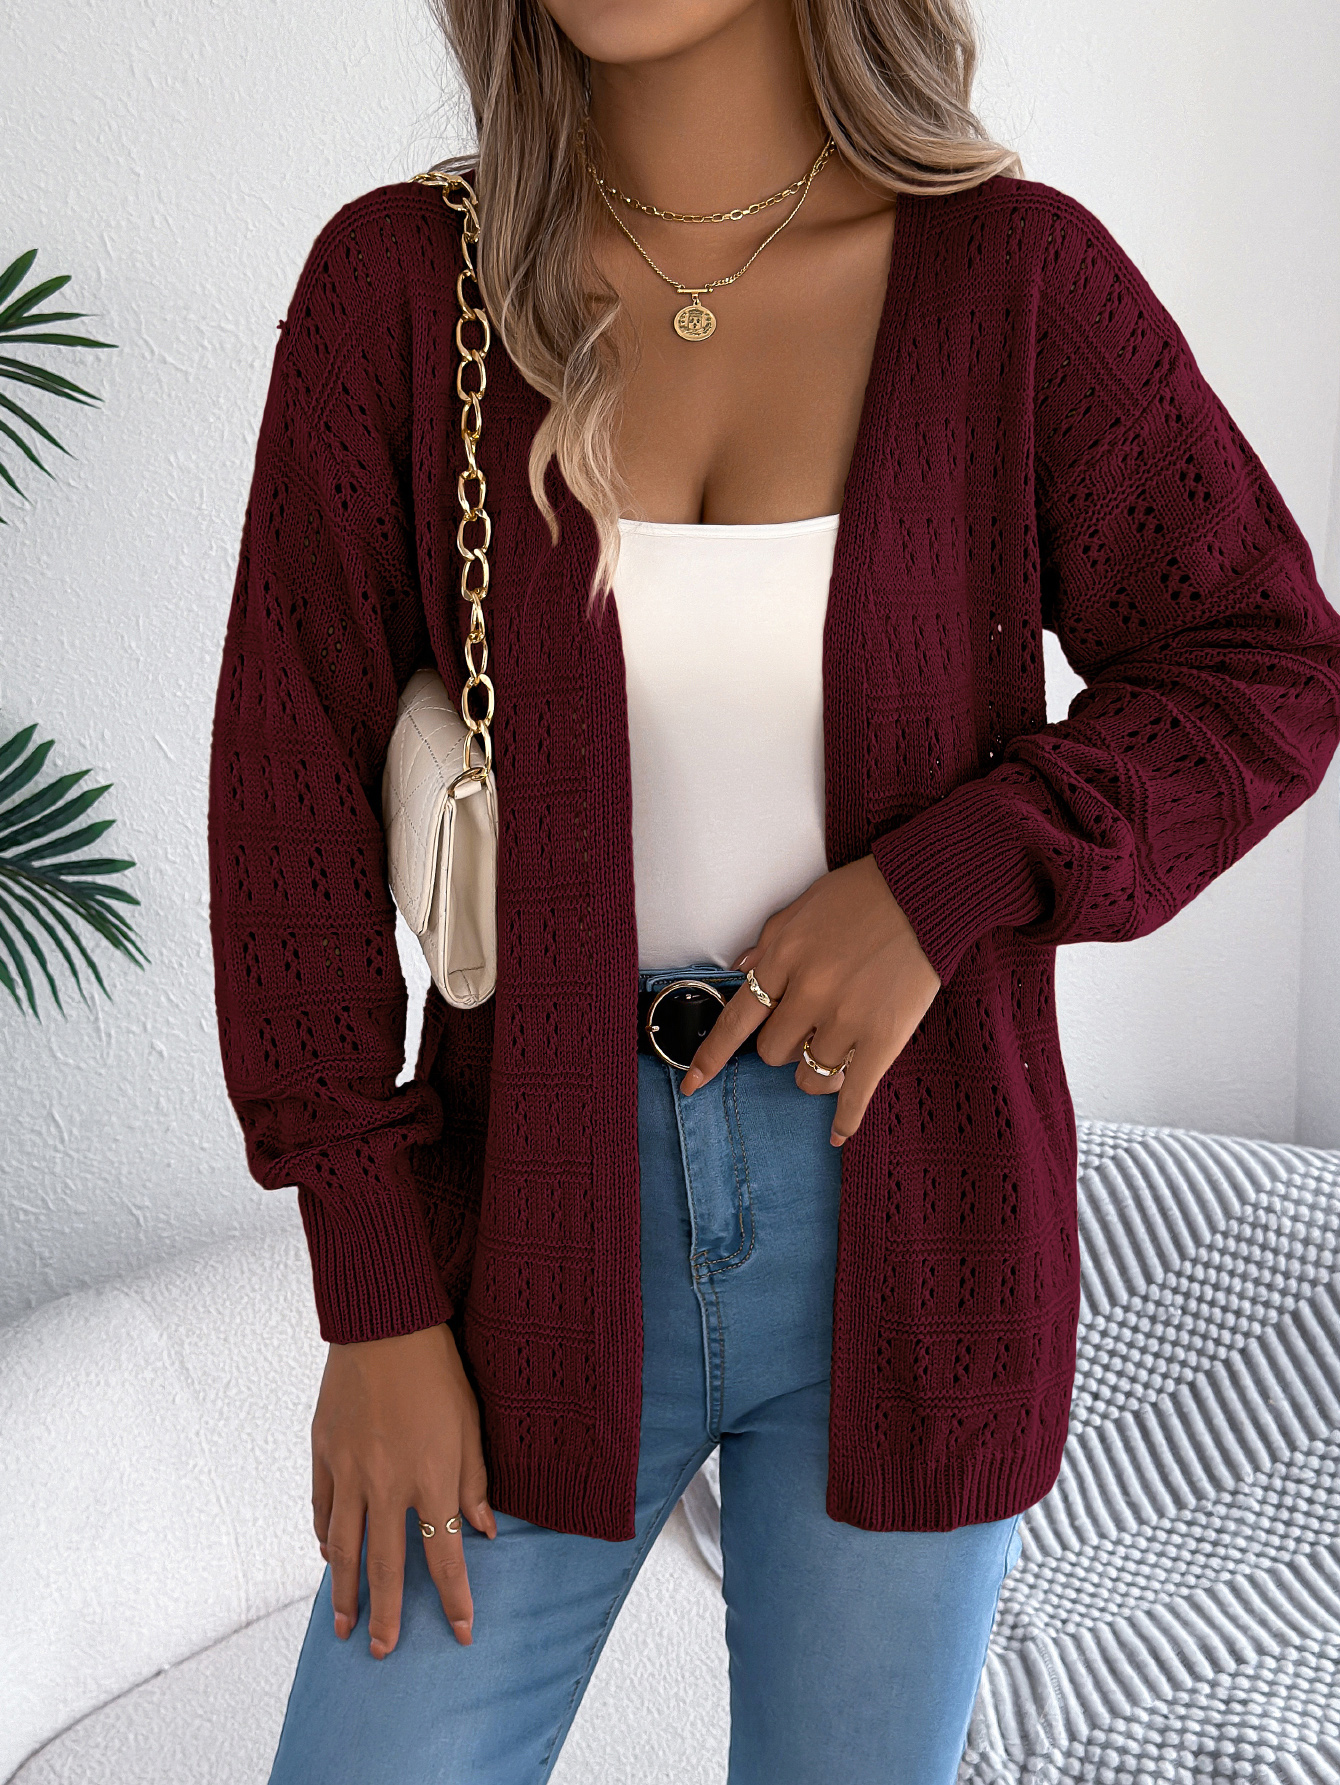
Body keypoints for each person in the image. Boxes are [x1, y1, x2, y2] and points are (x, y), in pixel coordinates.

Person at [205, 2, 1340, 1780]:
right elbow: (286, 806)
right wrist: (376, 1296)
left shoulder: (1015, 283)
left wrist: (948, 881)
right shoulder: (403, 291)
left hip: (917, 1225)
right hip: (529, 1224)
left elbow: (1264, 664)